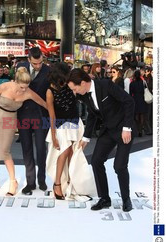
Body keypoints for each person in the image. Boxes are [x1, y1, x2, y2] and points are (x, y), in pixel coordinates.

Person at [67, 68, 136, 212]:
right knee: (96, 161)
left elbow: (129, 101)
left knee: (119, 166)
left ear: (84, 83)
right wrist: (86, 137)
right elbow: (92, 115)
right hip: (108, 130)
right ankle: (104, 199)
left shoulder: (105, 85)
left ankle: (126, 199)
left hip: (124, 128)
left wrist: (127, 127)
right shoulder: (84, 95)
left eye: (75, 88)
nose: (74, 92)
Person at [0, 67, 47, 195]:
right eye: (21, 87)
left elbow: (44, 103)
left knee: (5, 150)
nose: (24, 90)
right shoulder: (5, 86)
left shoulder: (29, 93)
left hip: (10, 120)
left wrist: (57, 113)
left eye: (26, 87)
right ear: (16, 81)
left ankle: (13, 181)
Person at [46, 62, 96, 201]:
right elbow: (52, 115)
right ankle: (57, 184)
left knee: (73, 153)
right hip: (61, 125)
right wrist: (54, 135)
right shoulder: (50, 91)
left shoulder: (70, 86)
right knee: (64, 151)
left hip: (75, 122)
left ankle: (71, 183)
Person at [17, 47, 50, 195]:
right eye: (35, 63)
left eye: (40, 63)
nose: (38, 66)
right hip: (23, 114)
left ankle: (41, 179)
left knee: (41, 148)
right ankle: (30, 182)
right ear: (29, 59)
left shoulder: (48, 70)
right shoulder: (20, 67)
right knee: (26, 148)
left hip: (41, 115)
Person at [129, 70, 148, 137]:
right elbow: (146, 90)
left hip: (135, 99)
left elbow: (130, 93)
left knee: (136, 115)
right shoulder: (143, 82)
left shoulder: (132, 83)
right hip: (142, 99)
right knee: (142, 115)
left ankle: (137, 129)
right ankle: (140, 130)